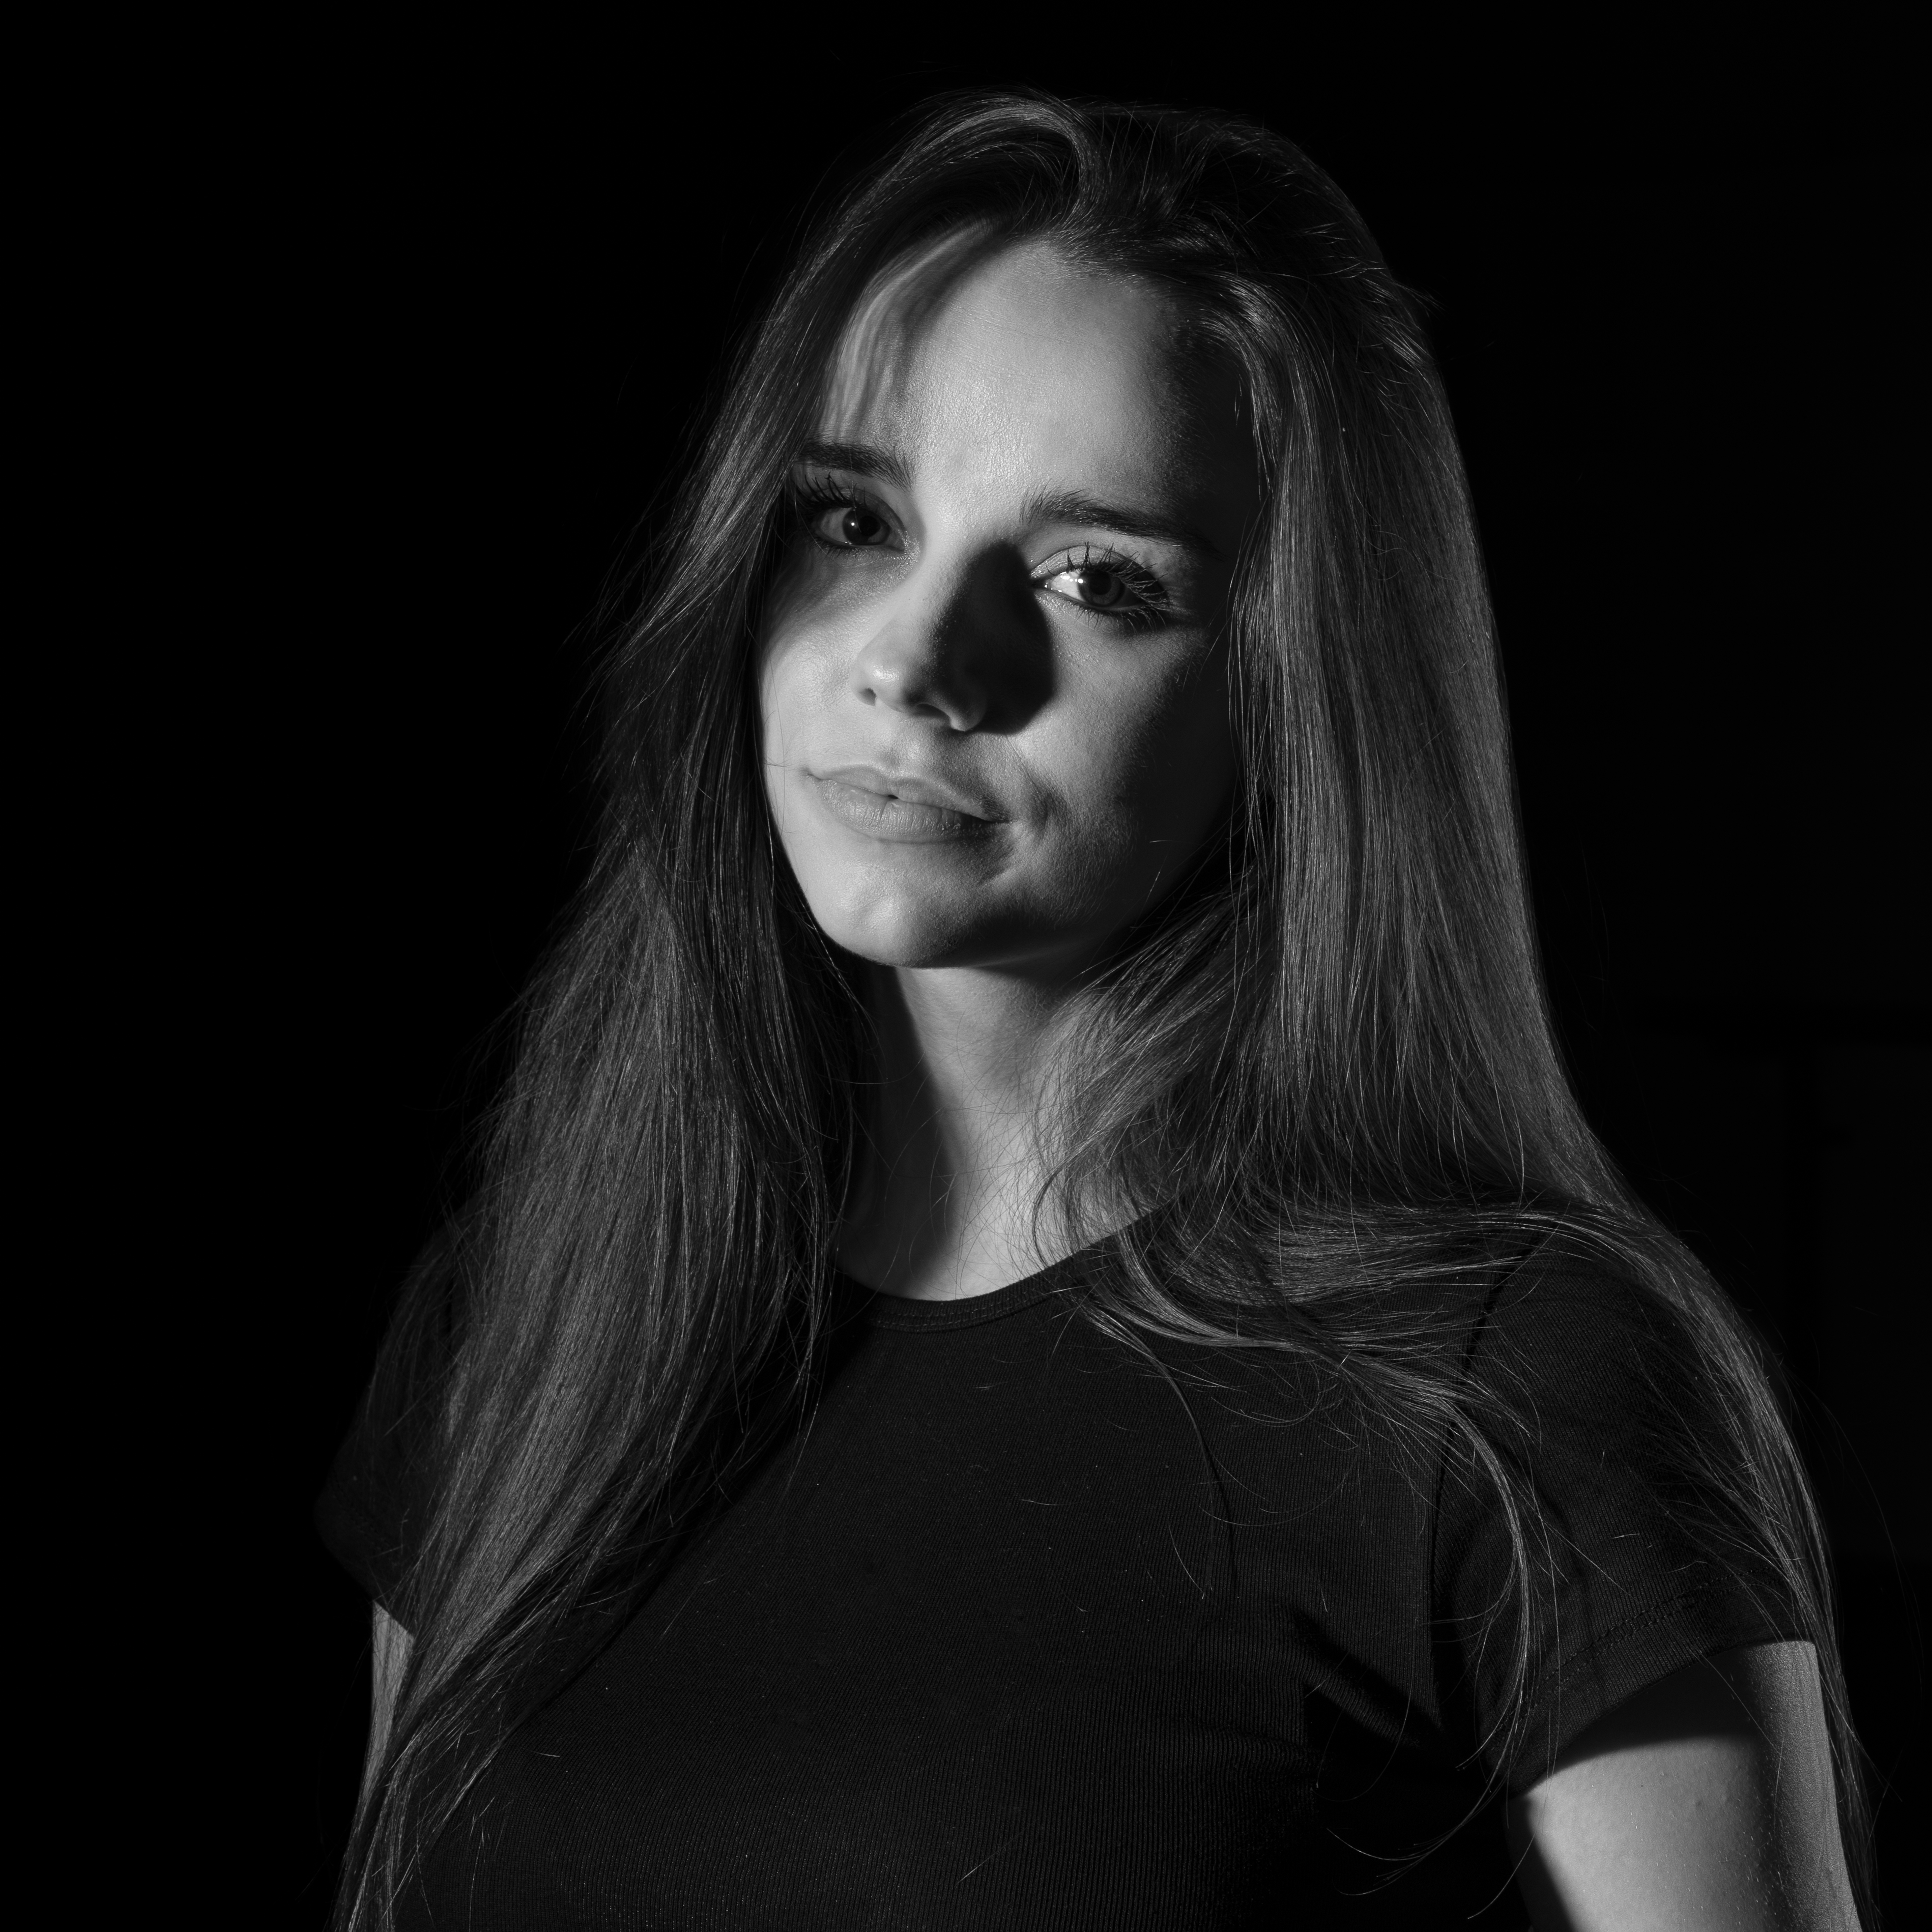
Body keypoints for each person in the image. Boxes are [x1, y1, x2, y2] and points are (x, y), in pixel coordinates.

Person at [319, 92, 1868, 1929]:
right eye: (852, 518)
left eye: (1094, 579)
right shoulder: (534, 1311)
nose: (919, 661)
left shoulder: (1521, 1386)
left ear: (1291, 694)